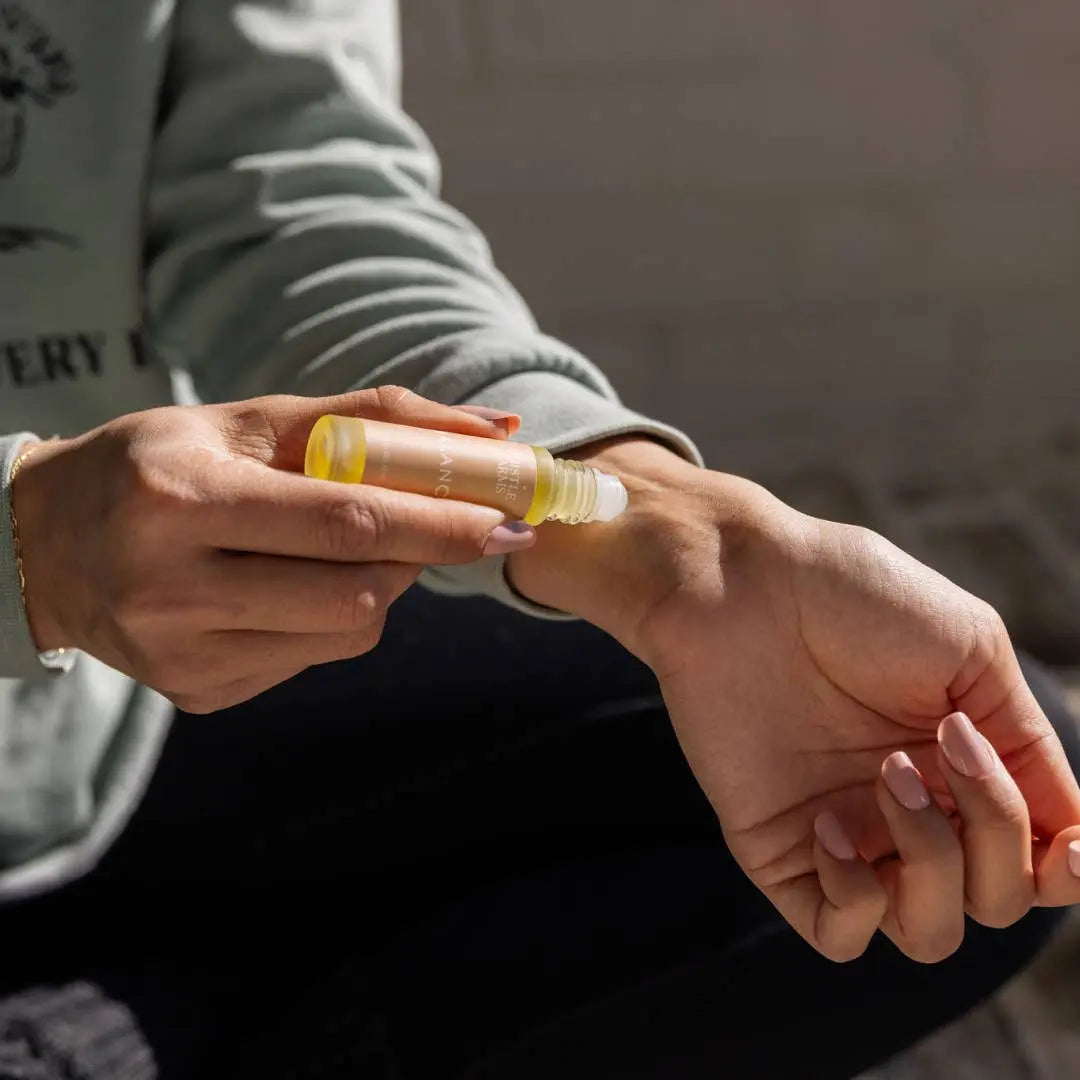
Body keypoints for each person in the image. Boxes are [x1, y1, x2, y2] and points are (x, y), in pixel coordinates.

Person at [1, 1, 1079, 1076]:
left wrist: (687, 543)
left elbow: (290, 190)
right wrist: (27, 546)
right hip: (70, 633)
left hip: (103, 717)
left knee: (930, 791)